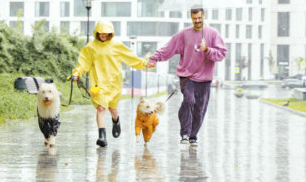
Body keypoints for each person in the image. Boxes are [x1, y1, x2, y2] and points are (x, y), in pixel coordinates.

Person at [146, 8, 227, 146]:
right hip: (187, 76)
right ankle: (185, 133)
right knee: (189, 101)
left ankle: (193, 136)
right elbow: (169, 48)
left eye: (199, 18)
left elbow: (222, 54)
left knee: (199, 109)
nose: (197, 21)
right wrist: (154, 58)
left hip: (205, 79)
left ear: (204, 16)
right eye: (194, 18)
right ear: (191, 18)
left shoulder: (213, 34)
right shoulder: (184, 34)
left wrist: (208, 50)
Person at [72, 21, 148, 147]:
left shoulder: (116, 45)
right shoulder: (90, 47)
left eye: (107, 32)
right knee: (101, 108)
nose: (104, 34)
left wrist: (144, 63)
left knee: (112, 109)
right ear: (97, 32)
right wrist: (77, 73)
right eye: (102, 32)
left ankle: (116, 120)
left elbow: (131, 58)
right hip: (98, 83)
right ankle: (102, 136)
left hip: (114, 82)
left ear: (110, 33)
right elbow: (84, 63)